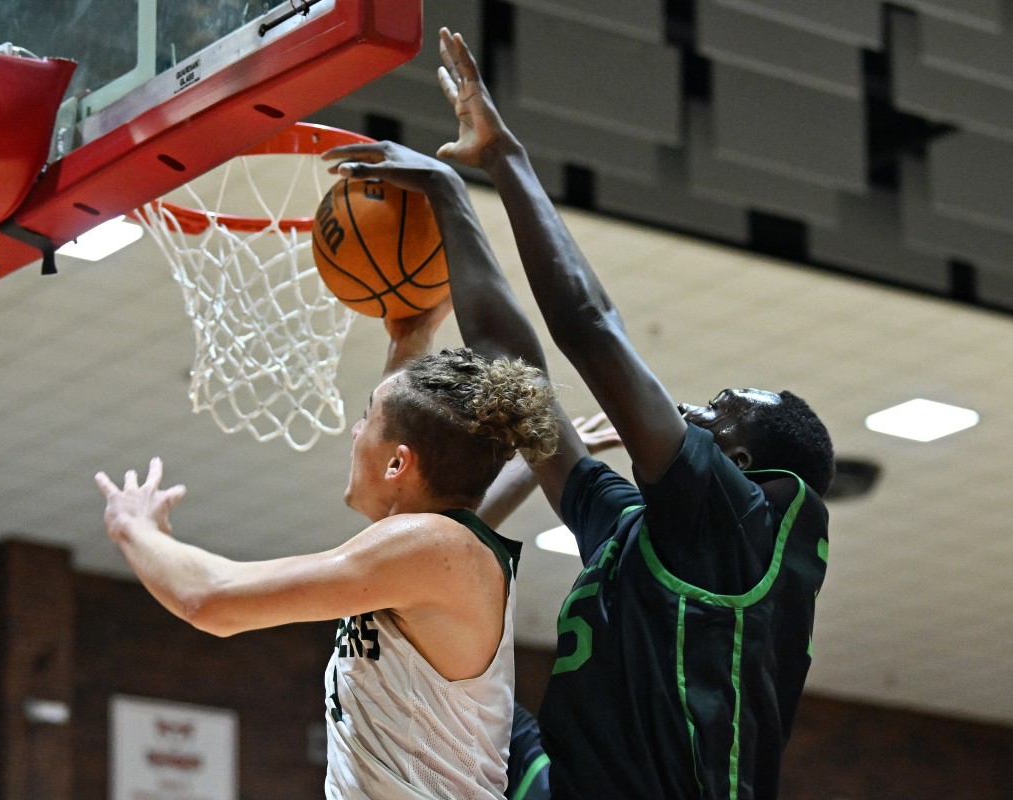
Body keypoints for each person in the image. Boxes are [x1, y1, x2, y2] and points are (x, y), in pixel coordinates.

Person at [324, 27, 836, 800]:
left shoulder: (732, 531)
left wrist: (506, 162)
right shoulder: (651, 539)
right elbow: (517, 385)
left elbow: (589, 327)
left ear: (741, 475)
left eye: (717, 417)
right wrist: (452, 200)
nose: (690, 413)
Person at [94, 300, 561, 800]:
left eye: (367, 419)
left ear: (398, 464)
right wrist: (409, 341)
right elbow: (422, 452)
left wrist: (133, 526)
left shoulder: (433, 548)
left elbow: (208, 598)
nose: (357, 432)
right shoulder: (441, 548)